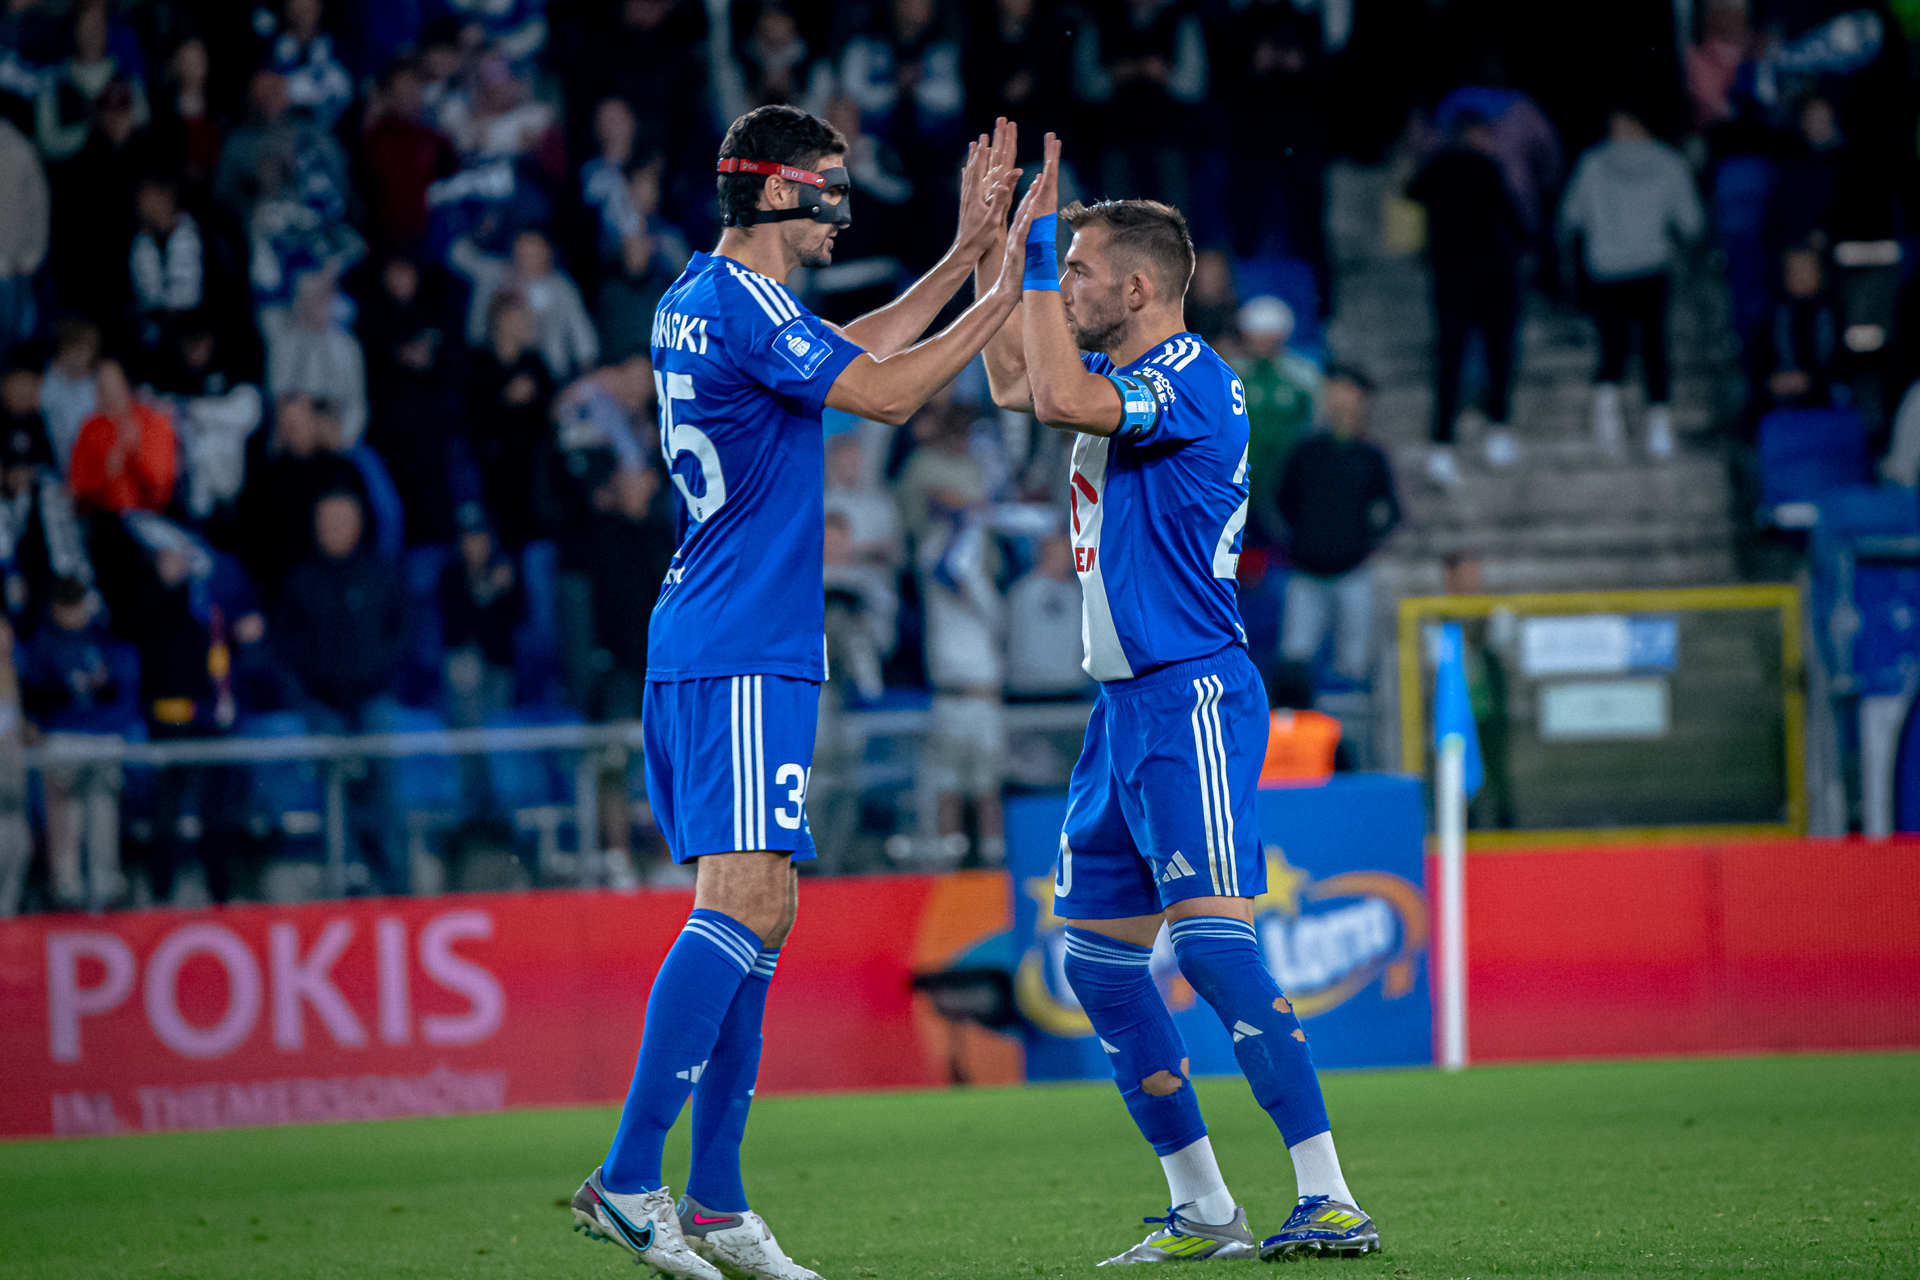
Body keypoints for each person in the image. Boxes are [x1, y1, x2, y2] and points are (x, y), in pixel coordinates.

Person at [572, 103, 1037, 1280]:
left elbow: (848, 352)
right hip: (740, 641)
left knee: (765, 907)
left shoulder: (704, 294)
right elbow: (885, 392)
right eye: (831, 188)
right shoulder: (745, 304)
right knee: (738, 900)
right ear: (779, 189)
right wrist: (1002, 287)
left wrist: (959, 255)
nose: (843, 211)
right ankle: (629, 1177)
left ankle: (718, 1201)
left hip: (718, 631)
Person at [979, 132, 1378, 1265]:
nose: (1069, 285)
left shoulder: (1192, 377)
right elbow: (1016, 380)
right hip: (1124, 707)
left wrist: (1033, 254)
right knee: (1099, 964)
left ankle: (1330, 1193)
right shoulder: (1123, 381)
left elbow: (1054, 389)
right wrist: (999, 250)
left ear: (1141, 290)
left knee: (1210, 944)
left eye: (1083, 271)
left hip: (1191, 688)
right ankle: (1203, 1205)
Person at [274, 489, 408, 892]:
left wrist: (376, 671)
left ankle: (393, 882)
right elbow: (286, 640)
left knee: (382, 788)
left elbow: (403, 632)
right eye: (324, 522)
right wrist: (314, 680)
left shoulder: (379, 574)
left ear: (357, 525)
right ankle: (345, 879)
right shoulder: (301, 579)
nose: (330, 530)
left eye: (338, 521)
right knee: (333, 792)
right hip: (323, 701)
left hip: (373, 697)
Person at [1558, 108, 1704, 459]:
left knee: (1612, 343)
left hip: (1605, 267)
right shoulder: (1669, 163)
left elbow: (1570, 216)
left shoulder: (1592, 163)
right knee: (1654, 344)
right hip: (1652, 264)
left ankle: (1607, 425)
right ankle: (1659, 427)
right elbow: (1692, 223)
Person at [1408, 111, 1529, 484]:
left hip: (1450, 277)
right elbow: (1515, 221)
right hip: (1492, 274)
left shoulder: (1435, 168)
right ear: (1476, 135)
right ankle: (1497, 430)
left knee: (1450, 359)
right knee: (1498, 354)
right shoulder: (1486, 167)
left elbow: (1411, 193)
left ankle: (1442, 445)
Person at [1275, 365, 1399, 685]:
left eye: (1348, 393)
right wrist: (1301, 539)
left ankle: (1350, 715)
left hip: (1352, 571)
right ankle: (1295, 711)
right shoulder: (1305, 451)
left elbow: (1392, 512)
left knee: (1354, 663)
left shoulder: (1370, 456)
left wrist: (1361, 543)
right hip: (1306, 571)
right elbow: (1279, 501)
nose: (1339, 401)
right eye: (1334, 392)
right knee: (1295, 658)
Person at [1228, 296, 1318, 547]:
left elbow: (1315, 424)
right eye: (1257, 336)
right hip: (1240, 478)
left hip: (1287, 479)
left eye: (1269, 337)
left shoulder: (1303, 375)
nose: (1262, 343)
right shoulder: (1231, 373)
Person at [68, 360, 176, 515]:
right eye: (101, 382)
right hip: (100, 516)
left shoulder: (151, 423)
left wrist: (137, 453)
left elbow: (161, 490)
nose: (106, 388)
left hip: (144, 516)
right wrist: (106, 472)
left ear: (126, 383)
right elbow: (77, 488)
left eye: (112, 381)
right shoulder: (90, 428)